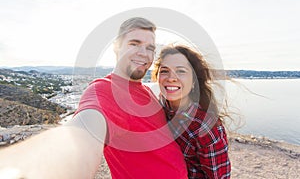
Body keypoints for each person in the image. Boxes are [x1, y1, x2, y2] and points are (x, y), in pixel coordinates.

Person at [0, 18, 188, 179]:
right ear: (117, 48)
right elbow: (81, 135)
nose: (143, 53)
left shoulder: (145, 90)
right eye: (134, 43)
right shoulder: (103, 92)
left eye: (150, 48)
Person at [152, 44, 231, 178]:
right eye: (164, 71)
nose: (171, 78)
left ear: (194, 80)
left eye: (181, 71)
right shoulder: (159, 104)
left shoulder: (206, 127)